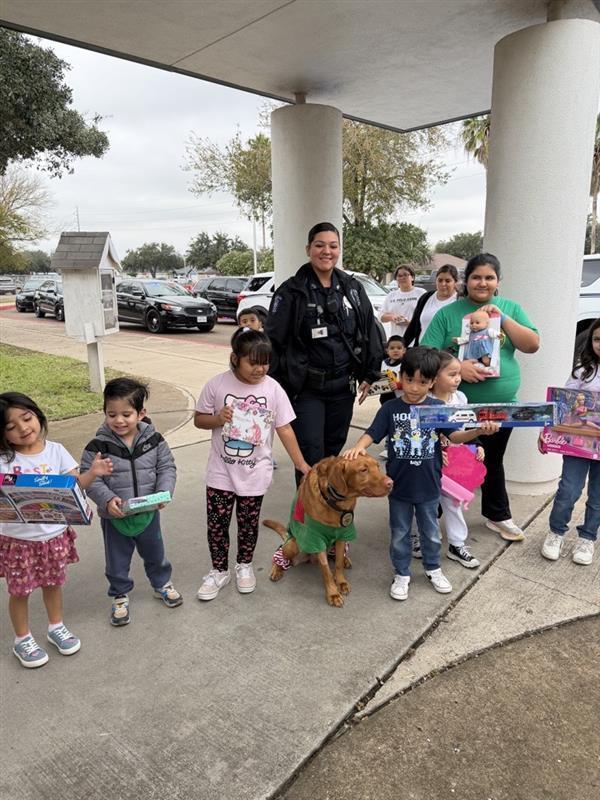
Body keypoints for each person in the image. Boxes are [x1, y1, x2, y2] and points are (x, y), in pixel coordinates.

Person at [343, 347, 496, 601]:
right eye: (410, 380)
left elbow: (455, 436)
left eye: (423, 382)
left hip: (429, 485)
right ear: (401, 375)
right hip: (398, 486)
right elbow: (373, 432)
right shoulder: (390, 409)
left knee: (431, 532)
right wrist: (358, 447)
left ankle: (433, 568)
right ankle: (401, 573)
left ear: (433, 382)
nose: (414, 388)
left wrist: (479, 431)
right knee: (401, 533)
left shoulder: (437, 408)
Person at [421, 253, 539, 541]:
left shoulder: (510, 308)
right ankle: (428, 517)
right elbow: (425, 352)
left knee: (492, 459)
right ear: (466, 280)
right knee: (445, 458)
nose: (482, 282)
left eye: (489, 277)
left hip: (501, 405)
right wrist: (457, 365)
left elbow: (532, 344)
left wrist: (502, 318)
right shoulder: (448, 313)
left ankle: (497, 515)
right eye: (476, 277)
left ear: (498, 281)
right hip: (454, 407)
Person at [194, 328, 310, 601]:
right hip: (221, 471)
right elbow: (199, 419)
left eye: (265, 362)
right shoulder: (217, 384)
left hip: (255, 472)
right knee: (217, 525)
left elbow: (285, 429)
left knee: (248, 523)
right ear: (235, 358)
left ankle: (244, 565)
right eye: (253, 362)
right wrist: (218, 418)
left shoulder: (272, 388)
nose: (260, 368)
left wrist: (301, 464)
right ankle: (219, 570)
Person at [265, 222, 384, 485]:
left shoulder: (352, 288)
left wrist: (370, 372)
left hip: (343, 387)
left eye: (333, 246)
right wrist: (275, 389)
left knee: (332, 451)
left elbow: (369, 330)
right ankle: (309, 516)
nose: (326, 251)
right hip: (306, 389)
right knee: (311, 454)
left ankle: (327, 510)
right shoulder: (291, 291)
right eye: (319, 245)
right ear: (309, 249)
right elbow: (273, 342)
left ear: (339, 249)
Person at [0, 392, 112, 668]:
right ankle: (22, 638)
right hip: (18, 540)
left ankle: (55, 626)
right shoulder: (3, 459)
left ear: (37, 415)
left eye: (26, 419)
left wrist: (93, 473)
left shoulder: (56, 451)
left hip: (53, 536)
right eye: (11, 426)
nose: (23, 428)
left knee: (53, 583)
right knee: (20, 591)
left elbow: (75, 485)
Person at [80, 378, 182, 627]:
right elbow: (91, 479)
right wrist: (107, 500)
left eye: (126, 414)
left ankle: (161, 584)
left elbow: (166, 467)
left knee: (155, 554)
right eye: (111, 414)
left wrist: (164, 492)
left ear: (141, 413)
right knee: (116, 561)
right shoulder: (98, 446)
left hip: (148, 513)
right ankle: (119, 594)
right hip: (115, 516)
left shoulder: (154, 440)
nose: (119, 420)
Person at [431, 351, 499, 569]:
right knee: (425, 503)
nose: (458, 379)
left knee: (453, 503)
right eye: (452, 374)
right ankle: (418, 536)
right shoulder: (425, 401)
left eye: (459, 373)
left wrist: (477, 444)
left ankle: (456, 544)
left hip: (454, 463)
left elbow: (466, 427)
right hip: (430, 462)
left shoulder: (461, 398)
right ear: (434, 376)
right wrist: (432, 450)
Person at [541, 318, 600, 565]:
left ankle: (588, 537)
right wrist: (547, 431)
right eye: (597, 339)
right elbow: (562, 404)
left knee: (598, 496)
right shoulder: (582, 370)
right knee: (569, 489)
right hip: (578, 443)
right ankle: (556, 532)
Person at [403, 264, 460, 347]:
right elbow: (413, 326)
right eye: (440, 280)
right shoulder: (426, 298)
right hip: (424, 352)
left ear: (455, 282)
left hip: (447, 355)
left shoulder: (459, 300)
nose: (443, 284)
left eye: (448, 281)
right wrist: (402, 346)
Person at [378, 334, 406, 459]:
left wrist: (399, 385)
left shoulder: (405, 365)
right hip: (386, 398)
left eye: (399, 348)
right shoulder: (383, 363)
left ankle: (391, 447)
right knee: (388, 422)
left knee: (397, 424)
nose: (395, 350)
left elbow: (409, 382)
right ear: (387, 350)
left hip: (399, 398)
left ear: (404, 350)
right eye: (392, 348)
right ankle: (389, 446)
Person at [379, 265, 426, 339]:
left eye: (405, 275)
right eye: (399, 276)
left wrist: (409, 323)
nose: (402, 278)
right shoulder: (391, 295)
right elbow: (381, 317)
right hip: (397, 342)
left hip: (416, 340)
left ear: (412, 277)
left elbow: (427, 316)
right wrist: (393, 317)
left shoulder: (421, 293)